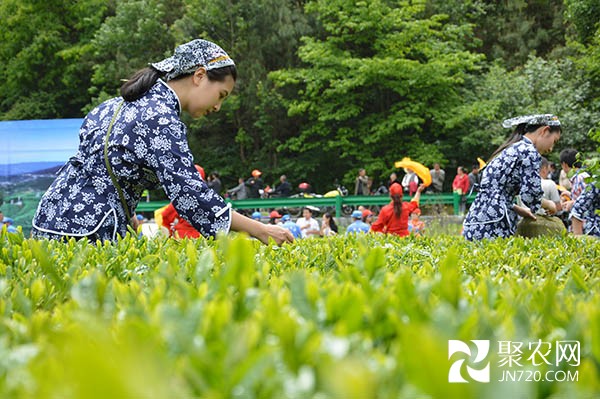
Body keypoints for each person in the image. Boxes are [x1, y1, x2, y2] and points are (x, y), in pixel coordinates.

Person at [31, 38, 293, 245]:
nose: (218, 107)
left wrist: (128, 215)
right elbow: (190, 194)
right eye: (221, 95)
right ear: (199, 76)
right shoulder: (160, 119)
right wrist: (260, 230)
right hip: (88, 232)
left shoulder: (113, 106)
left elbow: (103, 168)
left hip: (48, 219)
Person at [462, 114, 561, 241]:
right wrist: (549, 204)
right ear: (545, 131)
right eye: (554, 141)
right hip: (495, 223)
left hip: (476, 219)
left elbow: (495, 191)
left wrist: (517, 208)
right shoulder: (529, 151)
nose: (551, 148)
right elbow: (530, 194)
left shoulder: (512, 148)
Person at [515, 157, 565, 237]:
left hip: (522, 224)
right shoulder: (550, 183)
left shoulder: (520, 184)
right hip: (543, 226)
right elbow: (557, 208)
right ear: (544, 168)